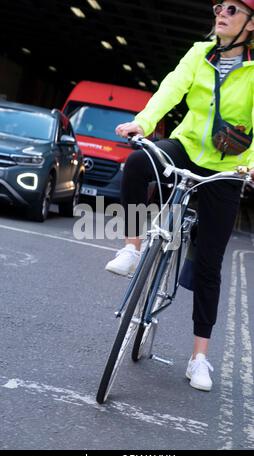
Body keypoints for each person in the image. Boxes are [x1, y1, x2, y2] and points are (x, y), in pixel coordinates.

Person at [105, 0, 254, 392]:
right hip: (186, 146)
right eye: (220, 7)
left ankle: (198, 357)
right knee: (138, 164)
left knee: (208, 264)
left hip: (228, 167)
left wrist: (250, 165)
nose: (222, 13)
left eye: (234, 10)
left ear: (250, 25)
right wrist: (143, 122)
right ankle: (134, 247)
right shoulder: (198, 53)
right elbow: (170, 88)